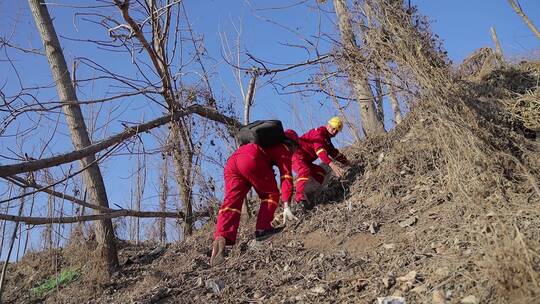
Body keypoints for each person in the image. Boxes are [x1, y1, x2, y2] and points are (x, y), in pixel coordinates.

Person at [210, 129, 299, 267]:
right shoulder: (284, 148)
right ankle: (263, 229)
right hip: (251, 158)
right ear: (292, 144)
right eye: (296, 149)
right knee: (271, 194)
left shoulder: (264, 143)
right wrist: (286, 204)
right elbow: (286, 176)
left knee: (232, 202)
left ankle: (221, 236)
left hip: (232, 161)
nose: (294, 153)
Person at [292, 116, 350, 211]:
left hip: (306, 161)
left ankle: (307, 194)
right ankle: (299, 198)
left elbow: (334, 153)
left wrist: (347, 162)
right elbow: (320, 150)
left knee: (320, 173)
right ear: (328, 125)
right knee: (304, 170)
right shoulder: (318, 133)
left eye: (337, 130)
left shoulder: (327, 141)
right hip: (296, 156)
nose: (334, 131)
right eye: (333, 128)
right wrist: (331, 164)